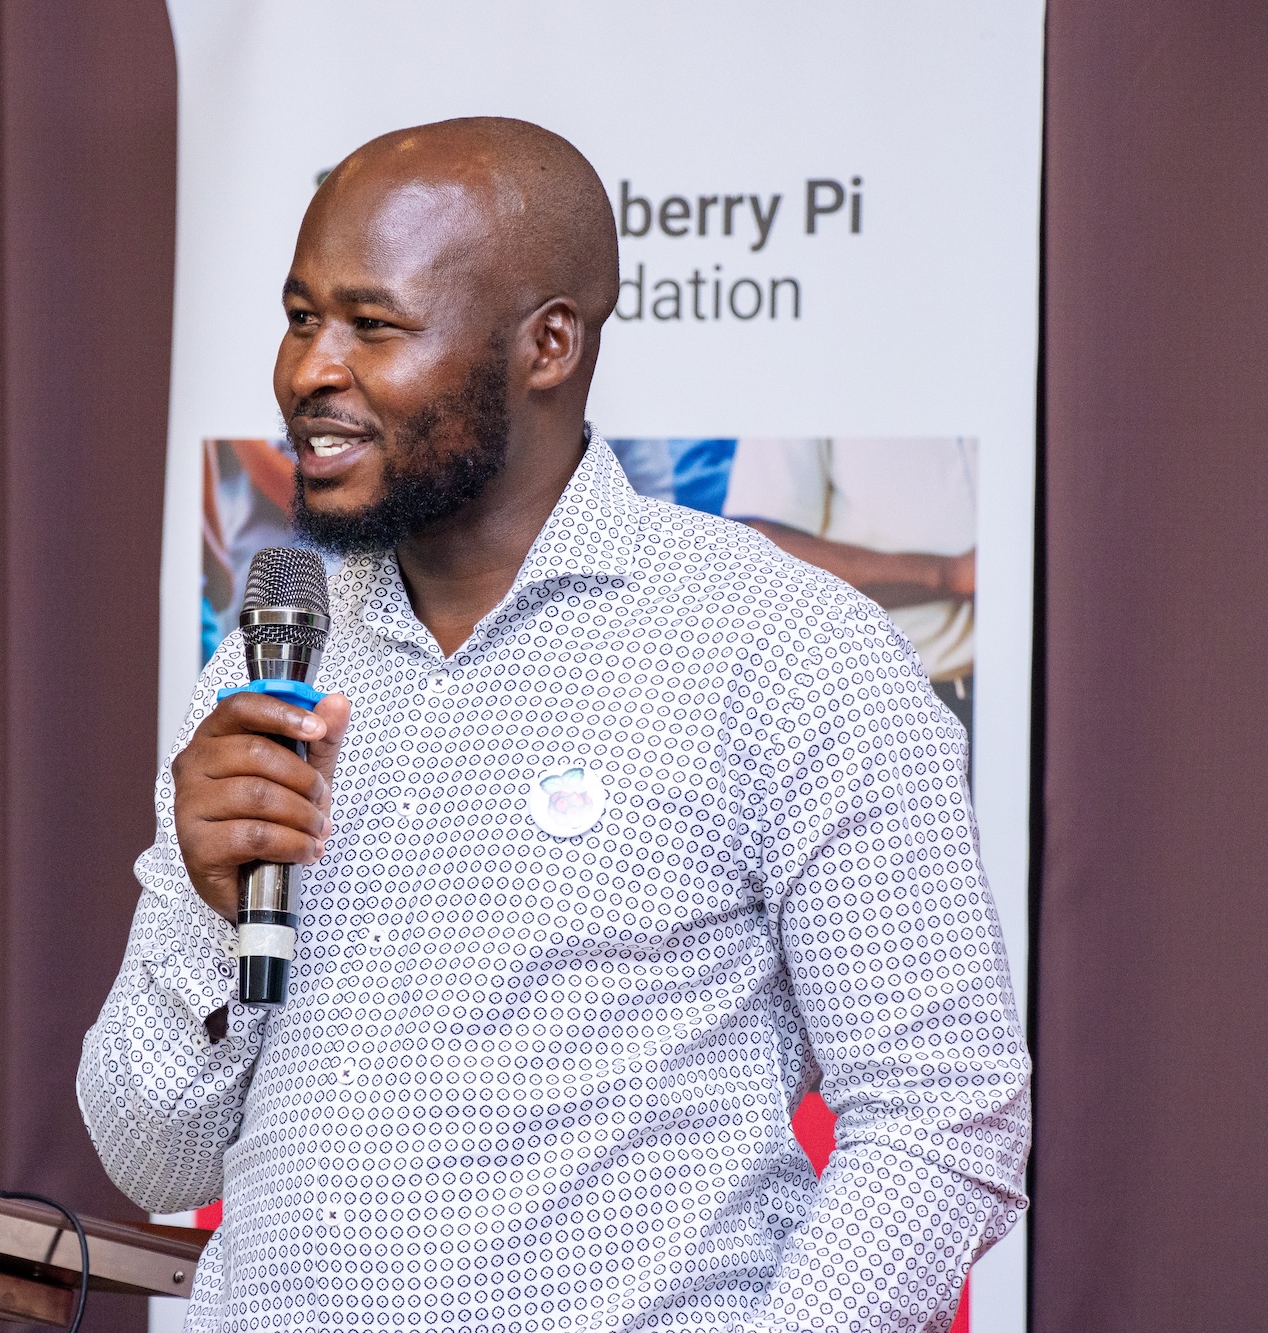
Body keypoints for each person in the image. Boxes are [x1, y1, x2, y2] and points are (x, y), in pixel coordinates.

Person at [78, 118, 1027, 1331]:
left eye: (371, 325)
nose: (307, 370)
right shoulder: (264, 669)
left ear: (547, 343)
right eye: (299, 315)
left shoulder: (783, 647)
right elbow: (149, 1160)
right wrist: (211, 923)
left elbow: (946, 1112)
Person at [722, 438, 978, 737]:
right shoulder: (796, 394)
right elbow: (764, 555)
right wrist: (949, 574)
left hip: (1023, 686)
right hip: (884, 710)